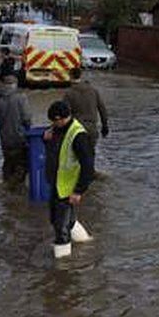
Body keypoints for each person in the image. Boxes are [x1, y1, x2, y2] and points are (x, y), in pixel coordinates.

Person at [43, 100, 94, 258]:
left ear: (62, 118)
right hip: (57, 184)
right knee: (61, 219)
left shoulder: (78, 135)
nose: (53, 124)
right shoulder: (58, 129)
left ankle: (63, 267)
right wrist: (45, 137)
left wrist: (78, 190)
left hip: (68, 188)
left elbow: (88, 166)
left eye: (54, 121)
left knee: (60, 227)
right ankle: (85, 241)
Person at [0, 74, 31, 186]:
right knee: (22, 165)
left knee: (8, 163)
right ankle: (15, 188)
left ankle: (6, 186)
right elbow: (27, 118)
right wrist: (29, 131)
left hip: (5, 140)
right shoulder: (21, 98)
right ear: (15, 85)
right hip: (20, 139)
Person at [63, 69, 109, 158]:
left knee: (76, 157)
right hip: (92, 129)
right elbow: (102, 109)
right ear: (81, 75)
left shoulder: (69, 93)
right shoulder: (93, 90)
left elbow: (65, 113)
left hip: (76, 130)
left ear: (70, 76)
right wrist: (105, 126)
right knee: (90, 155)